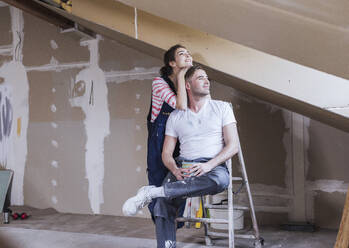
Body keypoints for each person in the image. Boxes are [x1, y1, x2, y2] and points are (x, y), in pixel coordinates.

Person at [123, 65, 239, 248]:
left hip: (212, 167)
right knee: (162, 204)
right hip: (183, 166)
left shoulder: (222, 108)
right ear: (187, 85)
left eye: (207, 77)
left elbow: (233, 146)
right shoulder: (176, 116)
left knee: (221, 180)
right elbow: (166, 154)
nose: (207, 81)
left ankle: (152, 192)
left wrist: (209, 165)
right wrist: (175, 170)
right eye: (201, 77)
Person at [146, 44, 192, 219]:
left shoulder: (186, 84)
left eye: (189, 54)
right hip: (160, 138)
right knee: (158, 181)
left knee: (180, 181)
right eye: (182, 54)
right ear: (172, 63)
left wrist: (184, 77)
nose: (188, 56)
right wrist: (181, 75)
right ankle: (160, 222)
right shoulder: (159, 83)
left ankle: (173, 223)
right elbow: (180, 105)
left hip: (181, 137)